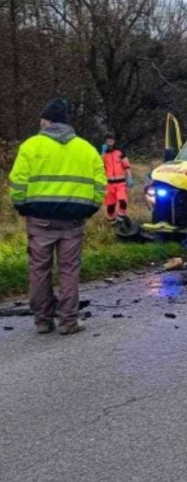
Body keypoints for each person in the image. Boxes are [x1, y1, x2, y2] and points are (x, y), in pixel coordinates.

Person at [8, 98, 106, 335]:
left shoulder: (31, 146)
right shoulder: (86, 149)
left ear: (48, 121)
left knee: (39, 270)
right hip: (73, 221)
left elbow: (18, 183)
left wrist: (23, 207)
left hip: (39, 220)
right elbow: (100, 185)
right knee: (69, 270)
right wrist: (89, 210)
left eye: (42, 120)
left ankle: (43, 321)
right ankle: (68, 322)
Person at [101, 133, 133, 221]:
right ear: (105, 142)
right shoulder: (104, 154)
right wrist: (103, 153)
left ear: (114, 141)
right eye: (108, 140)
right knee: (110, 206)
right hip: (109, 184)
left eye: (111, 140)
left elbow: (127, 166)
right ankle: (112, 221)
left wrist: (129, 177)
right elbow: (100, 165)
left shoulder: (120, 151)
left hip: (121, 183)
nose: (110, 142)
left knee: (123, 202)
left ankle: (120, 219)